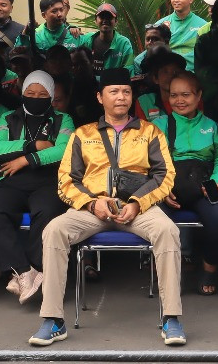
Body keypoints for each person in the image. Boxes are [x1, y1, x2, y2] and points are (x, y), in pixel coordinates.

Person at [28, 69, 184, 347]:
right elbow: (66, 180)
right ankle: (53, 320)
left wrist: (137, 203)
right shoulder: (82, 134)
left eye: (126, 91)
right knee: (54, 230)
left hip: (138, 208)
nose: (121, 97)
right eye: (114, 92)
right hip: (93, 208)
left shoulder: (150, 132)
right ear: (100, 97)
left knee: (168, 230)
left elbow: (165, 176)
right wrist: (92, 203)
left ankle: (171, 317)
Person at [0, 71, 72, 303]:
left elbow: (64, 149)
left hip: (47, 181)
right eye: (30, 93)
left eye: (42, 95)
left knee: (48, 211)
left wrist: (25, 159)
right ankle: (23, 271)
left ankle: (36, 267)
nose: (35, 98)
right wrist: (34, 145)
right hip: (10, 180)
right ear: (22, 94)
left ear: (51, 96)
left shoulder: (63, 119)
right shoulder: (8, 118)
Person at [152, 72, 218, 296]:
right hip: (169, 189)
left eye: (186, 95)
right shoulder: (158, 125)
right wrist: (162, 189)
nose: (179, 100)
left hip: (204, 186)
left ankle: (210, 267)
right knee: (153, 220)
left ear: (199, 96)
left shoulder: (213, 126)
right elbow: (150, 164)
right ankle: (170, 273)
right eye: (174, 95)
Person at [17, 0, 83, 53]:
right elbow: (18, 53)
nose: (60, 14)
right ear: (44, 15)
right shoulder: (36, 35)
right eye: (54, 11)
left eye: (61, 9)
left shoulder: (74, 34)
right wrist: (25, 34)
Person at [156, 0, 206, 71]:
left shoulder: (203, 25)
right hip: (168, 73)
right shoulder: (160, 25)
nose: (176, 0)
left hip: (195, 74)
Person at [83, 3, 135, 73]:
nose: (105, 20)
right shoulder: (87, 39)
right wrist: (72, 28)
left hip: (115, 80)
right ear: (95, 21)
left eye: (109, 17)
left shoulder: (124, 43)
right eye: (102, 17)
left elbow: (129, 71)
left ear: (116, 21)